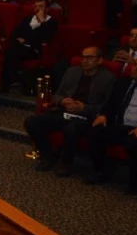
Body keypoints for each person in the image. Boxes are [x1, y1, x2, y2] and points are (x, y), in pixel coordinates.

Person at [23, 47, 114, 176]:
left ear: (99, 60)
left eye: (90, 58)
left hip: (86, 117)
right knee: (31, 122)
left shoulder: (108, 78)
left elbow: (108, 106)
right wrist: (62, 101)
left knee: (71, 128)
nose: (85, 61)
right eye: (83, 57)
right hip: (65, 112)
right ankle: (48, 156)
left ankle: (66, 162)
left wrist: (84, 108)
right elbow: (56, 95)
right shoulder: (72, 72)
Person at [85, 57, 137, 192]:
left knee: (133, 143)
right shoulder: (122, 82)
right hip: (119, 125)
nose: (135, 68)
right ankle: (102, 170)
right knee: (94, 132)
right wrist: (103, 115)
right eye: (135, 64)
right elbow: (110, 104)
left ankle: (136, 182)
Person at [1, 0, 59, 91]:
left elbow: (45, 39)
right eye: (36, 6)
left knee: (11, 52)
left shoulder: (51, 22)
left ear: (47, 9)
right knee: (9, 51)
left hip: (35, 50)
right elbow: (15, 33)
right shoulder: (28, 19)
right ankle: (9, 80)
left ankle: (10, 80)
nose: (37, 9)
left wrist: (42, 21)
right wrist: (18, 39)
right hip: (21, 47)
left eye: (41, 6)